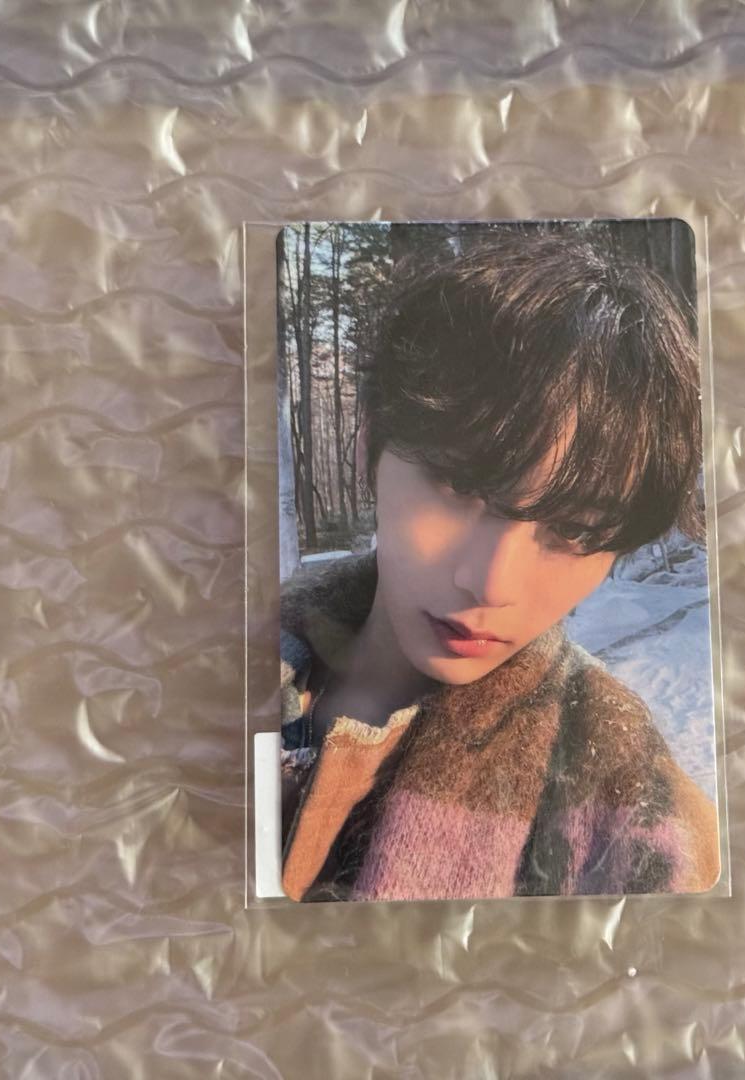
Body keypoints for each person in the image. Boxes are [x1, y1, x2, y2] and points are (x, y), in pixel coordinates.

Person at [277, 229, 720, 902]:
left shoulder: (624, 806)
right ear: (370, 443)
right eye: (459, 488)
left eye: (575, 529)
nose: (490, 583)